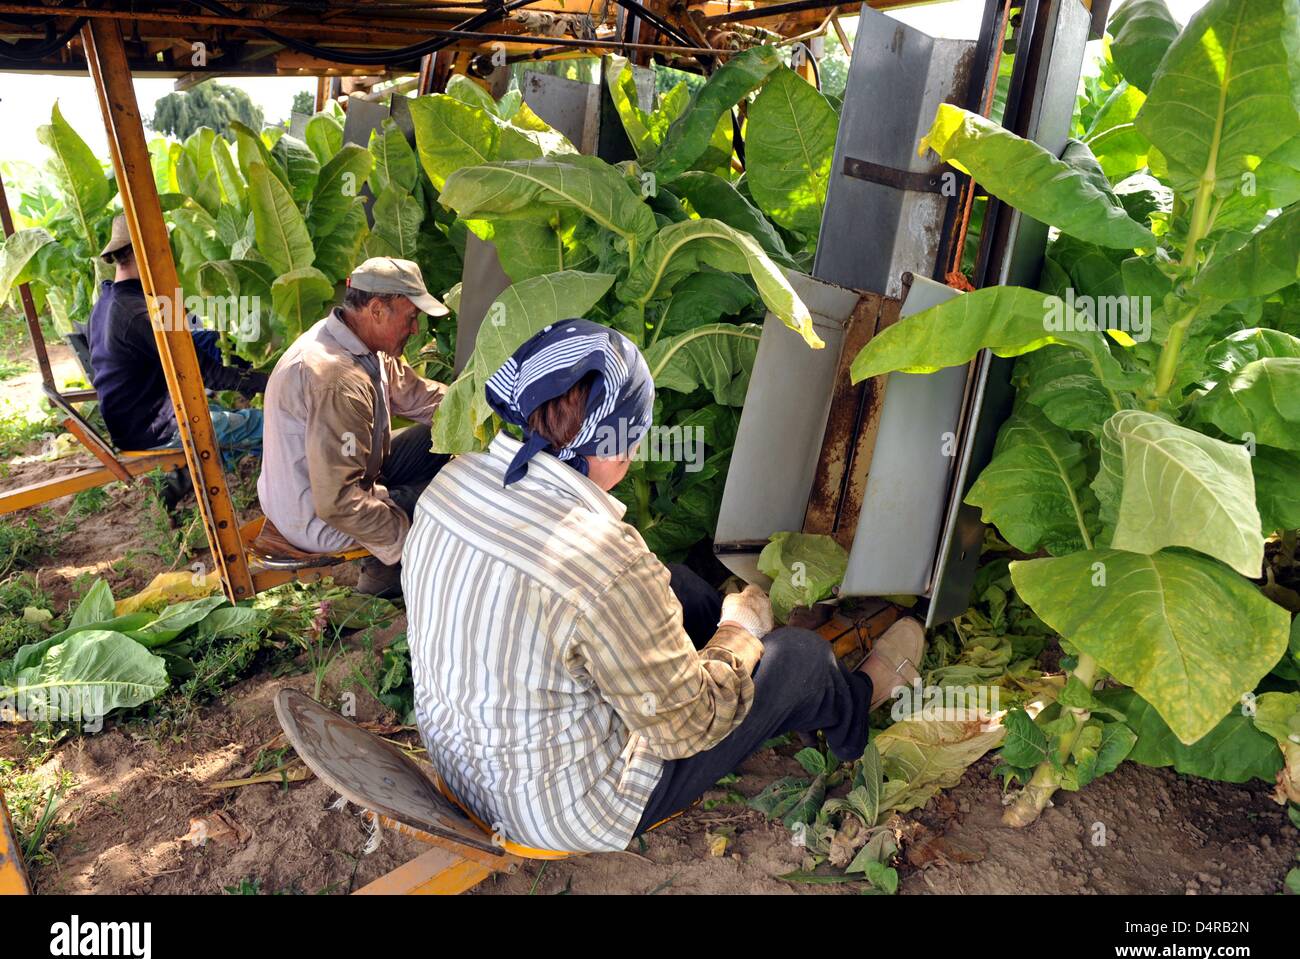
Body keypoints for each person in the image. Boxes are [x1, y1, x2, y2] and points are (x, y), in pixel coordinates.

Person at [402, 318, 926, 854]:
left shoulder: (454, 480)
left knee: (675, 583)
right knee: (798, 656)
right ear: (615, 444)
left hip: (461, 762)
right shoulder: (605, 559)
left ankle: (766, 689)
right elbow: (687, 728)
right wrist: (739, 635)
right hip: (555, 809)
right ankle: (856, 709)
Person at [258, 256, 450, 597]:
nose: (416, 329)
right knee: (444, 502)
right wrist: (404, 543)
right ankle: (387, 578)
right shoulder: (336, 379)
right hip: (316, 515)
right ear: (377, 310)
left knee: (435, 438)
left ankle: (389, 560)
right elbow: (336, 502)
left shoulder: (358, 340)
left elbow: (419, 397)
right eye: (412, 317)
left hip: (334, 480)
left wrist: (485, 412)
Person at [88, 214, 266, 456]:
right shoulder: (141, 312)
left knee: (207, 341)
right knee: (269, 425)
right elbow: (206, 375)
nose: (171, 257)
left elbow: (186, 338)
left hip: (131, 423)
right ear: (146, 252)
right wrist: (269, 380)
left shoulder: (109, 299)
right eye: (164, 249)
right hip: (157, 431)